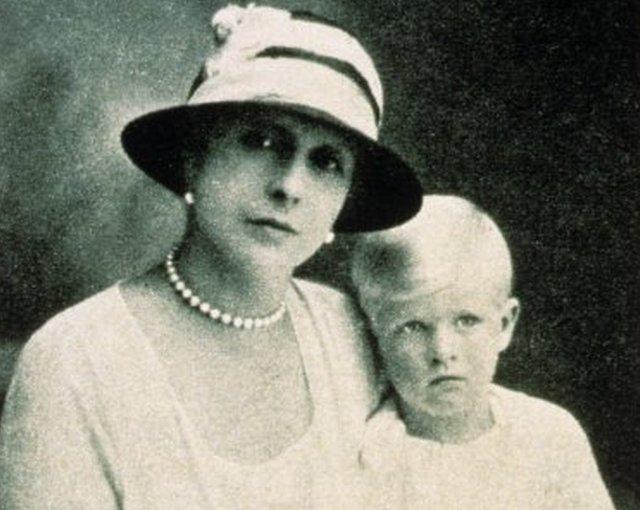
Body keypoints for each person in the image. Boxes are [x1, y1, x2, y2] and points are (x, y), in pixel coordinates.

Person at [0, 5, 423, 509]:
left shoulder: (349, 335)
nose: (290, 186)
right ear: (194, 156)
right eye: (262, 141)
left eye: (326, 162)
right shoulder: (75, 361)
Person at [350, 195, 615, 509]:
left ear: (504, 324)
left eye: (466, 321)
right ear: (375, 334)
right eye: (412, 327)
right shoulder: (365, 457)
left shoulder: (550, 436)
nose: (442, 351)